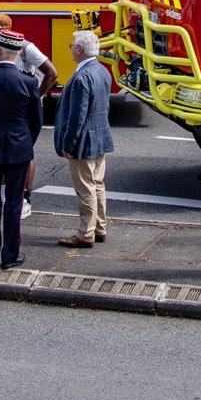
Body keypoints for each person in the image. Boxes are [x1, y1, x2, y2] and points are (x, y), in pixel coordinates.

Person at [0, 12, 58, 218]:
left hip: (21, 106)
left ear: (2, 32)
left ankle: (25, 198)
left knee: (25, 152)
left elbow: (51, 73)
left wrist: (36, 96)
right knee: (1, 153)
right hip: (0, 105)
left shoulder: (26, 48)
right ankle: (3, 197)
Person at [0, 29, 42, 270]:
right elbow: (36, 121)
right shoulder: (28, 81)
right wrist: (25, 142)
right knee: (14, 201)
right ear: (19, 52)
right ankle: (10, 254)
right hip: (20, 147)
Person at [54, 29, 114, 248]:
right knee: (97, 185)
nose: (70, 48)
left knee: (85, 189)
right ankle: (100, 228)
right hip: (99, 137)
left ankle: (85, 233)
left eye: (72, 45)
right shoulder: (102, 71)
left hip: (83, 142)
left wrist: (67, 144)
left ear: (79, 49)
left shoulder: (81, 77)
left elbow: (76, 116)